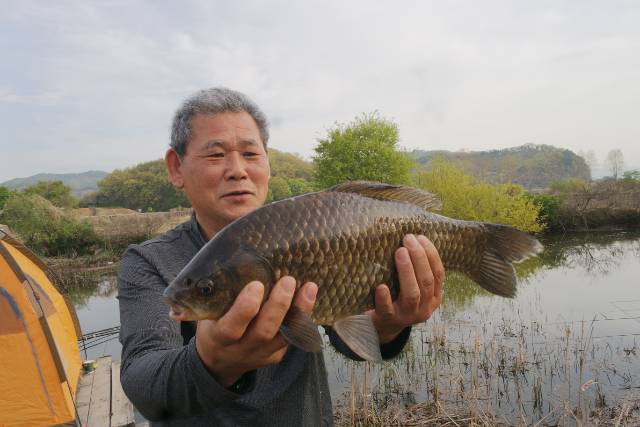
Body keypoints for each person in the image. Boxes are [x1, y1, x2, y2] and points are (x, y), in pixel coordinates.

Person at [117, 87, 445, 426]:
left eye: (250, 153)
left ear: (268, 164)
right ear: (176, 168)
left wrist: (387, 327)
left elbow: (344, 333)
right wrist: (209, 363)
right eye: (215, 155)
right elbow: (143, 382)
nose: (237, 170)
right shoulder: (148, 262)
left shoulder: (306, 230)